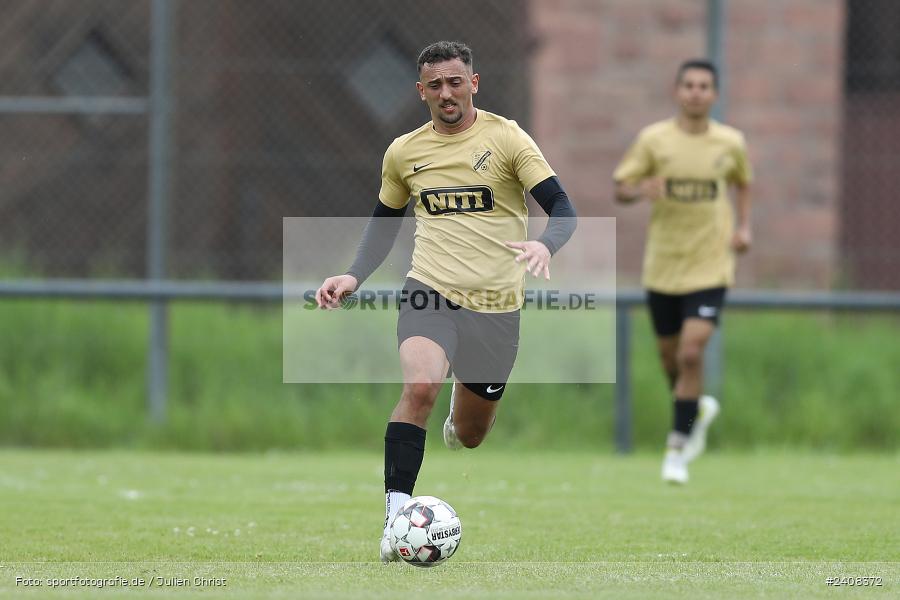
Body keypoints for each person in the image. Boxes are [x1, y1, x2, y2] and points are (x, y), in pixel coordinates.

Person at [314, 41, 577, 561]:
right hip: (429, 291)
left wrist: (544, 244)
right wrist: (352, 275)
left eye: (455, 82)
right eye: (435, 85)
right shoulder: (404, 152)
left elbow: (563, 208)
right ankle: (396, 517)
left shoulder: (507, 139)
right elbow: (384, 224)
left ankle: (461, 419)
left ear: (473, 83)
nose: (446, 93)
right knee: (419, 385)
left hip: (496, 306)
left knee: (473, 435)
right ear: (421, 92)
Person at [613, 59, 753, 484]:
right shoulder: (654, 140)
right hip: (664, 266)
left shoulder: (730, 143)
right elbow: (621, 187)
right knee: (671, 359)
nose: (695, 92)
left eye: (704, 86)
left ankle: (677, 446)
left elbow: (743, 183)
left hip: (711, 264)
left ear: (714, 94)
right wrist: (640, 190)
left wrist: (744, 226)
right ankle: (693, 408)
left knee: (693, 351)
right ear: (677, 92)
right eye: (688, 85)